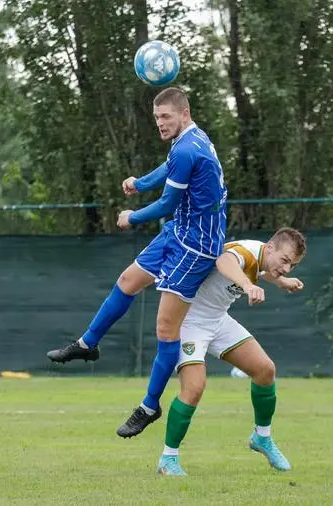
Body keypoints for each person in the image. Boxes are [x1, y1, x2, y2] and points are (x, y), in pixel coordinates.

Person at [47, 87, 228, 428]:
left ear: (184, 114)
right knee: (127, 281)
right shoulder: (189, 138)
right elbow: (169, 167)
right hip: (180, 231)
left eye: (166, 117)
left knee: (165, 326)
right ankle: (87, 344)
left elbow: (167, 204)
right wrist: (141, 182)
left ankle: (149, 406)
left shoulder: (188, 148)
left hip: (197, 245)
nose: (160, 123)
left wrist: (132, 216)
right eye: (157, 117)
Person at [119, 228, 308, 477]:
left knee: (265, 370)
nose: (286, 268)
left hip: (217, 320)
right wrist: (246, 284)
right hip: (190, 323)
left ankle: (262, 438)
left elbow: (262, 269)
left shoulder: (262, 258)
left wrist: (281, 281)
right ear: (269, 247)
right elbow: (225, 260)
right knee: (194, 389)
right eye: (284, 261)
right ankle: (168, 459)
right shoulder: (245, 253)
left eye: (292, 266)